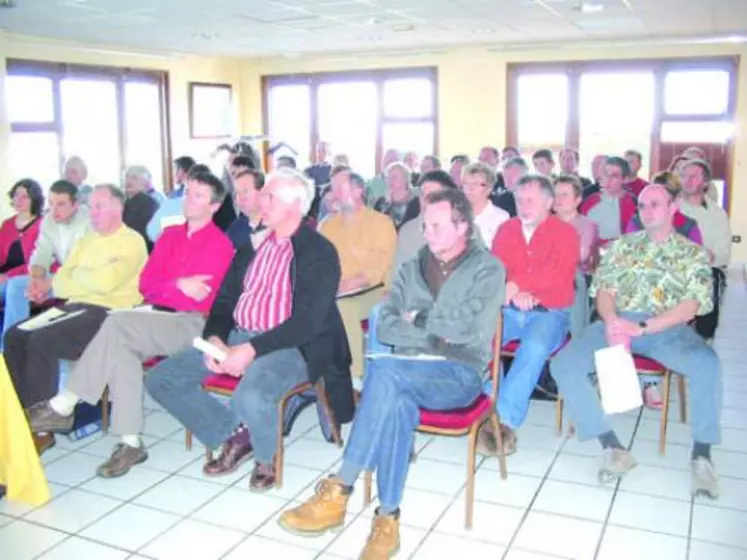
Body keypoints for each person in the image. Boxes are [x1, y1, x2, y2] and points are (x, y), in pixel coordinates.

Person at [277, 189, 505, 558]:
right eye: (424, 225)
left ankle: (340, 488)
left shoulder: (488, 268)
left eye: (436, 226)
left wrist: (420, 320)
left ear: (463, 225)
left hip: (459, 373)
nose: (426, 233)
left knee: (384, 372)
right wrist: (436, 330)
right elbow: (386, 327)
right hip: (407, 370)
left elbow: (471, 331)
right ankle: (388, 518)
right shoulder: (411, 266)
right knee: (394, 397)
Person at [144, 168, 355, 491]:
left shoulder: (319, 252)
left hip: (292, 346)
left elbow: (306, 323)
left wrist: (250, 350)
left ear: (295, 206)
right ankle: (236, 435)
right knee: (162, 379)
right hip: (238, 334)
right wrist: (215, 337)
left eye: (269, 196)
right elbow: (225, 301)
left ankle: (266, 458)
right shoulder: (253, 245)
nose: (260, 201)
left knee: (251, 395)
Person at [27, 171, 234, 478]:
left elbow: (200, 300)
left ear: (214, 206)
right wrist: (178, 283)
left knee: (117, 323)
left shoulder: (220, 245)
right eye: (188, 192)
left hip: (192, 324)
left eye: (198, 196)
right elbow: (146, 284)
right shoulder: (171, 235)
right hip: (155, 315)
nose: (189, 200)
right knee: (120, 344)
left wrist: (169, 286)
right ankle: (130, 441)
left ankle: (64, 403)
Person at [549, 183, 721, 498]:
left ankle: (702, 454)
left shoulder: (691, 253)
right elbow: (603, 292)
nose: (647, 211)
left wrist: (641, 327)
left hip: (664, 327)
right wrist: (614, 321)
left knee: (707, 364)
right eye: (642, 206)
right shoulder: (621, 247)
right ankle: (612, 446)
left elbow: (690, 307)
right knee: (564, 363)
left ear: (673, 207)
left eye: (655, 204)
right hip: (617, 321)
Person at [4, 184, 147, 414]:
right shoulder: (87, 241)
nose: (92, 213)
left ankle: (42, 421)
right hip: (74, 306)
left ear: (118, 208)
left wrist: (74, 276)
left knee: (42, 340)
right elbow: (61, 280)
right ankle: (20, 412)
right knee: (15, 335)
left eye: (99, 207)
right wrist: (78, 277)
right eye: (91, 207)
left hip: (109, 313)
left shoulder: (132, 241)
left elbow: (105, 283)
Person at [479, 174, 578, 456]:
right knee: (480, 338)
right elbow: (496, 270)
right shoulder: (506, 230)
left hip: (550, 313)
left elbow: (558, 277)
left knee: (534, 347)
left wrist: (515, 287)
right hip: (509, 309)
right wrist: (512, 292)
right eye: (519, 199)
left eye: (531, 199)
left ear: (549, 202)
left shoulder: (565, 233)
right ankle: (487, 400)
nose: (524, 205)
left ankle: (503, 421)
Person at [2, 181, 90, 348]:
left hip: (86, 278)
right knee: (17, 285)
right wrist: (35, 279)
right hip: (61, 278)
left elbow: (81, 264)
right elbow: (41, 253)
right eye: (51, 203)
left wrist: (47, 284)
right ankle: (10, 348)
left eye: (61, 204)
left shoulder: (88, 221)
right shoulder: (49, 221)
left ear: (76, 204)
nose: (54, 209)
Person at [0, 180, 44, 300]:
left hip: (27, 277)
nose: (18, 200)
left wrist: (7, 276)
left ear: (34, 200)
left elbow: (37, 263)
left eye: (25, 196)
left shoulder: (43, 225)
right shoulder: (7, 224)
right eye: (16, 195)